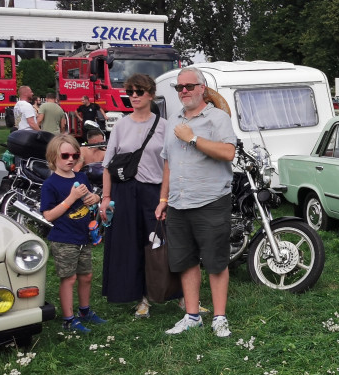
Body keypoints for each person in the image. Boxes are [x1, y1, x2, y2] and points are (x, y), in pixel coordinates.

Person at [156, 67, 237, 338]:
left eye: (190, 86)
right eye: (180, 87)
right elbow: (168, 162)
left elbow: (228, 152)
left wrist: (192, 138)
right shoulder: (172, 119)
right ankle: (192, 316)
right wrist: (163, 198)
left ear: (202, 88)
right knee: (185, 261)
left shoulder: (217, 118)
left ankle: (219, 317)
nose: (185, 91)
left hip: (211, 200)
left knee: (216, 262)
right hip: (179, 203)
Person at [101, 74, 168, 317]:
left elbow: (170, 164)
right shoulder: (120, 125)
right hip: (125, 191)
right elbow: (108, 165)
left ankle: (167, 291)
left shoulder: (164, 126)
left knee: (157, 243)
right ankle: (140, 299)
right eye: (131, 92)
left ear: (151, 94)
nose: (135, 96)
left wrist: (164, 197)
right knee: (129, 245)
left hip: (153, 191)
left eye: (140, 91)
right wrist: (105, 198)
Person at [39, 133, 106, 333]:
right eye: (65, 156)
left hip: (83, 236)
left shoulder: (81, 176)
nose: (70, 160)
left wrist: (93, 197)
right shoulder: (50, 184)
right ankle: (68, 319)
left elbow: (90, 196)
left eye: (75, 156)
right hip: (63, 239)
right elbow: (49, 215)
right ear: (53, 158)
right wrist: (71, 198)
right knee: (69, 278)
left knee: (86, 276)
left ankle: (84, 311)